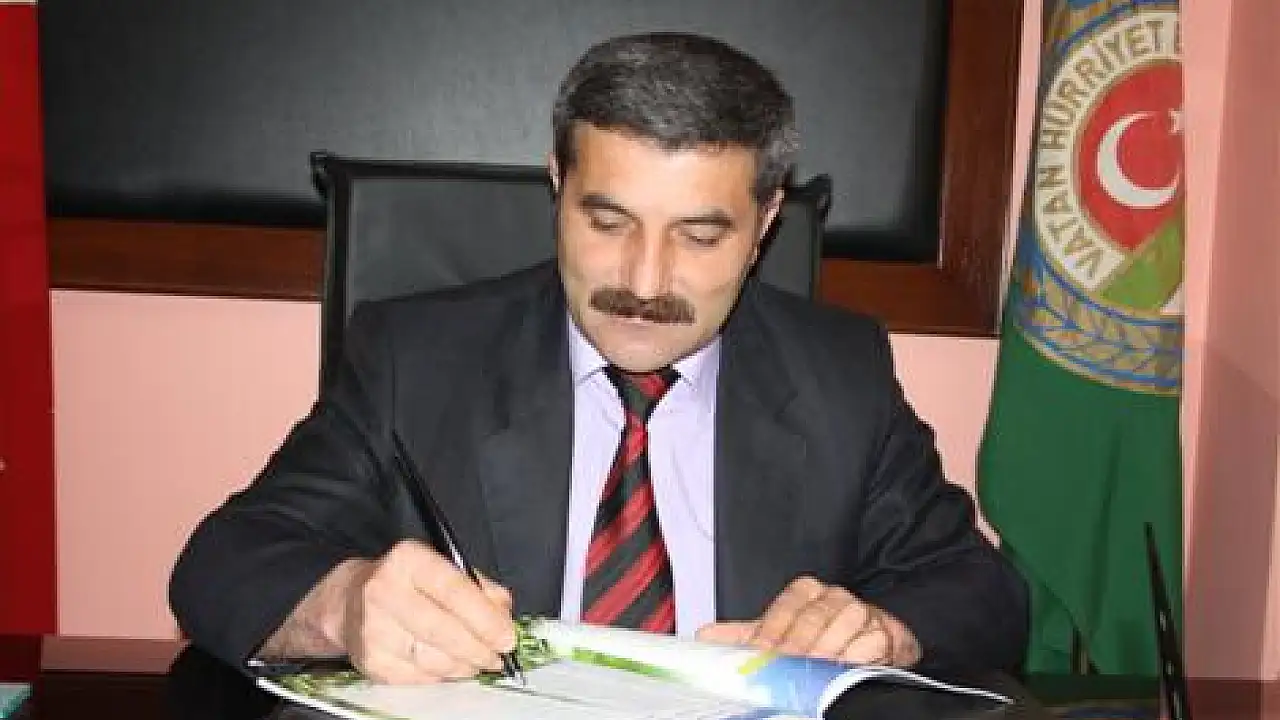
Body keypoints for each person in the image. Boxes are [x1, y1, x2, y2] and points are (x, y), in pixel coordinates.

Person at [169, 31, 1027, 684]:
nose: (643, 282)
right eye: (608, 222)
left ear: (766, 221)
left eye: (698, 235)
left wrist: (883, 631)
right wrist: (344, 605)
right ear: (558, 184)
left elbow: (980, 591)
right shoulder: (417, 360)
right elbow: (223, 562)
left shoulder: (840, 374)